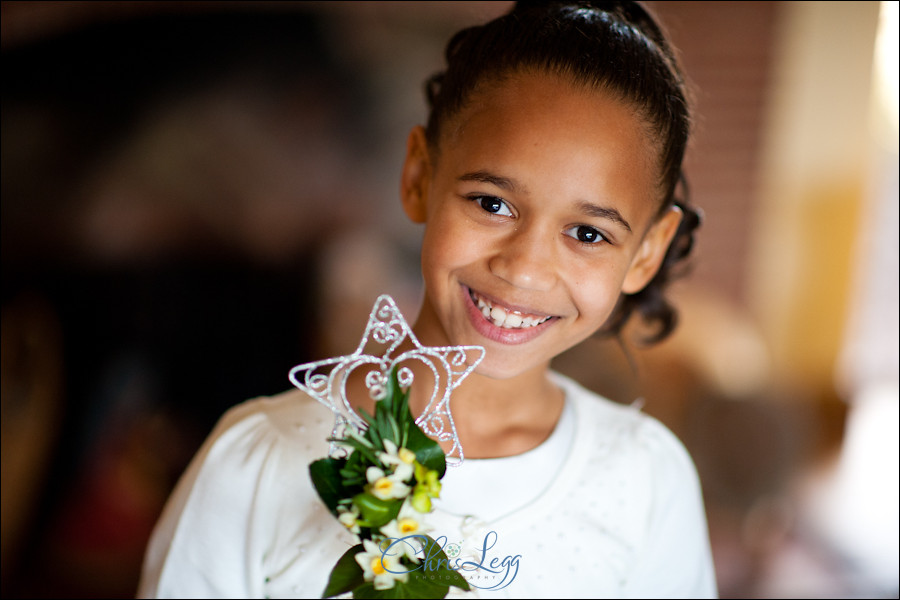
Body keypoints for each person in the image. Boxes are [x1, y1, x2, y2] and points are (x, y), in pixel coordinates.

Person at [138, 1, 717, 597]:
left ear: (647, 252)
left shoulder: (645, 484)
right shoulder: (256, 462)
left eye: (588, 234)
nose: (523, 268)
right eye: (492, 203)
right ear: (418, 177)